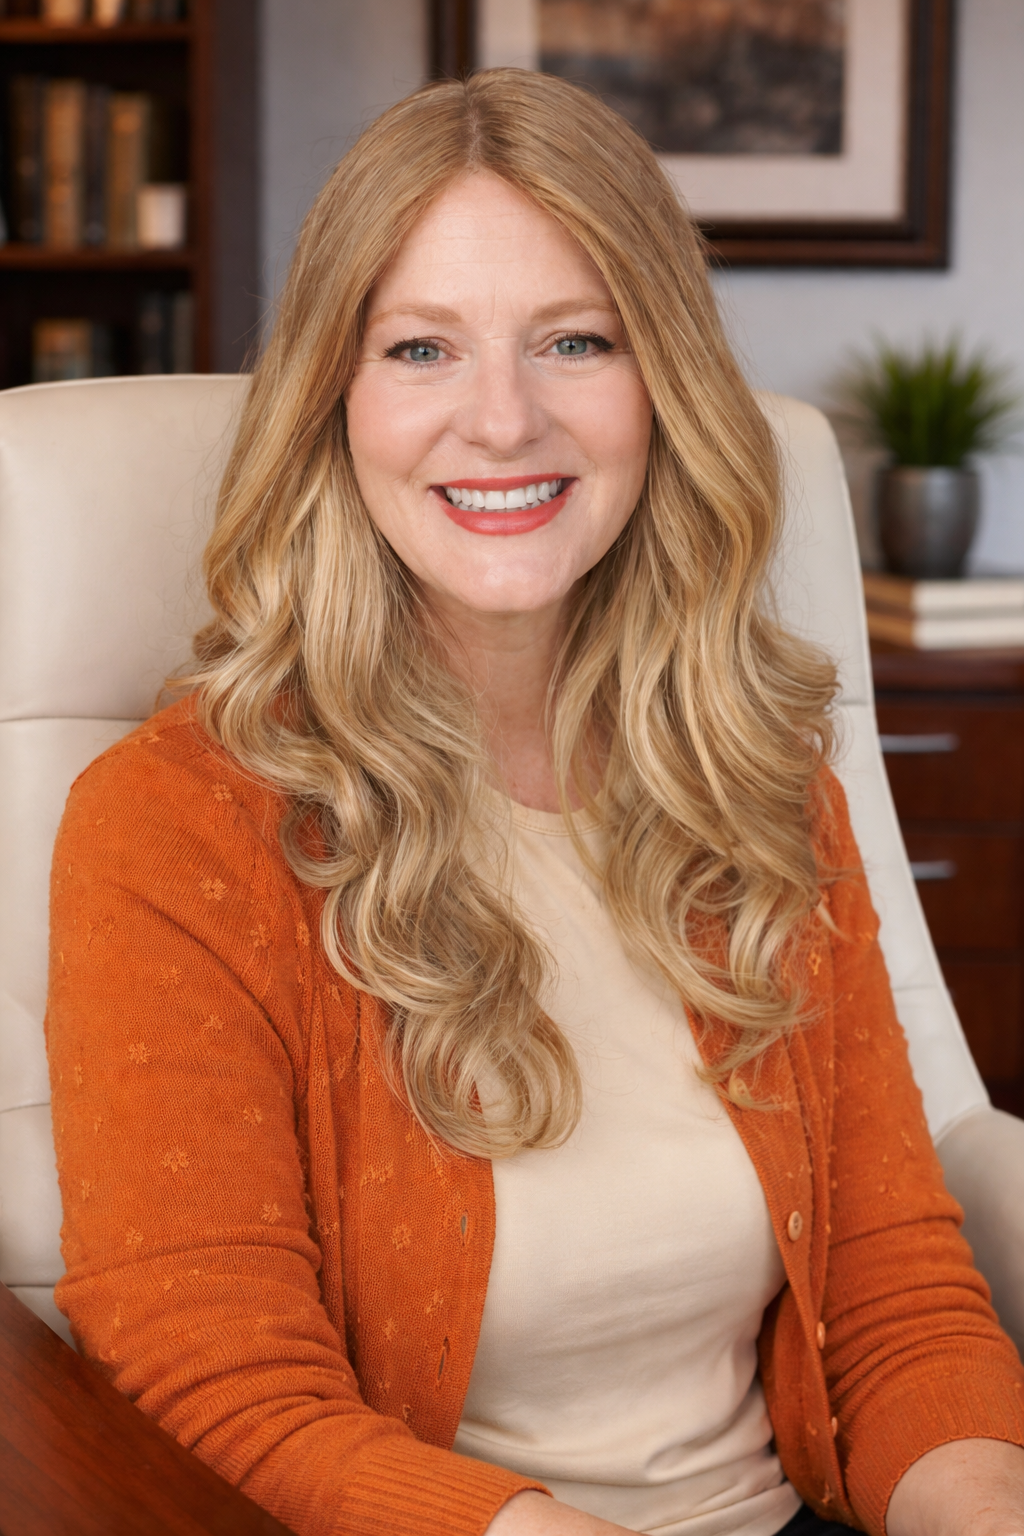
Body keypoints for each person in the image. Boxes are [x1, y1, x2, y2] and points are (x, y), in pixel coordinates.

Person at [45, 69, 1023, 1536]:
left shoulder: (761, 783)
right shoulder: (176, 825)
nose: (500, 421)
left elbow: (891, 1292)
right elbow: (217, 1359)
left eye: (576, 340)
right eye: (422, 347)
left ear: (662, 389)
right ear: (336, 400)